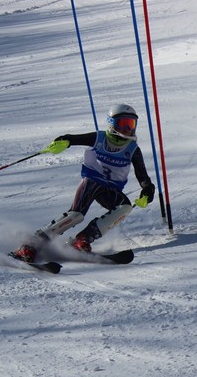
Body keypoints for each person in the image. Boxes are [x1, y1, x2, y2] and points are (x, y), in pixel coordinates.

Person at [12, 103, 156, 262]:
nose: (128, 129)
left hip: (109, 189)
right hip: (92, 181)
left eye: (131, 124)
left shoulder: (133, 148)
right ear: (112, 123)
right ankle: (30, 244)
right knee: (76, 215)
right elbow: (73, 139)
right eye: (123, 124)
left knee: (124, 207)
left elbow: (142, 175)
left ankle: (82, 240)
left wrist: (147, 189)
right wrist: (63, 142)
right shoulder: (101, 138)